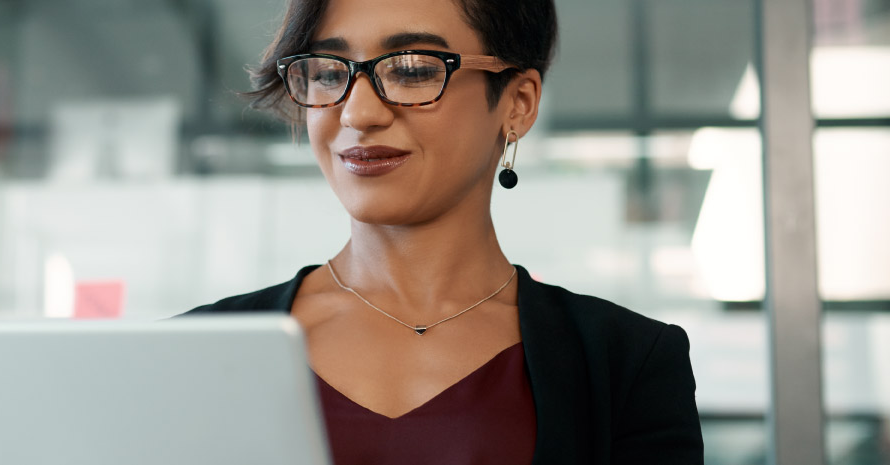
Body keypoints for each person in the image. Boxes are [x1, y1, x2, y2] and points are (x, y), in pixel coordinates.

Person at [177, 0, 704, 463]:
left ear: (518, 102)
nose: (358, 113)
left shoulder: (628, 363)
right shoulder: (190, 353)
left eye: (411, 69)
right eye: (328, 73)